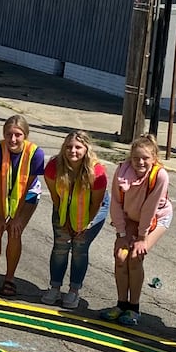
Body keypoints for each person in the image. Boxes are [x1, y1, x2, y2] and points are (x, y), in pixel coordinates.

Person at [106, 134, 172, 327]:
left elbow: (149, 209)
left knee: (135, 257)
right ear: (130, 158)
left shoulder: (159, 175)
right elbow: (116, 203)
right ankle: (121, 304)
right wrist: (121, 234)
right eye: (136, 158)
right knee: (120, 256)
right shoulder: (122, 171)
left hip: (155, 218)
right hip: (130, 217)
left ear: (154, 159)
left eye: (145, 158)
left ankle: (133, 308)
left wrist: (142, 237)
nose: (140, 162)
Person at [41, 130, 108, 309]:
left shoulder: (97, 172)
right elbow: (56, 197)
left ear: (86, 149)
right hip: (64, 205)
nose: (73, 151)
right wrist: (64, 219)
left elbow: (96, 203)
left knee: (79, 246)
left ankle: (74, 291)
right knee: (60, 246)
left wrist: (83, 224)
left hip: (93, 209)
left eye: (78, 147)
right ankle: (54, 287)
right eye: (69, 147)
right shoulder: (54, 166)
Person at [0, 115, 47, 296]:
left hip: (27, 193)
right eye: (9, 134)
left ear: (25, 135)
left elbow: (26, 187)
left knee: (14, 230)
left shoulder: (36, 153)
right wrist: (1, 215)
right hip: (0, 189)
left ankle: (9, 279)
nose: (12, 139)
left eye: (18, 135)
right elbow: (0, 181)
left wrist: (16, 217)